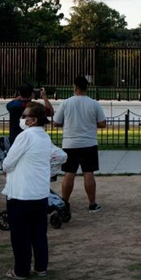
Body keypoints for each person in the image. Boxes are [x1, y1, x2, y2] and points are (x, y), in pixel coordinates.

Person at [2, 102, 53, 279]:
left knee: (20, 234)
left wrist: (6, 168)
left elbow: (8, 162)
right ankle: (41, 267)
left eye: (24, 116)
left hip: (21, 193)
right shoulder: (45, 137)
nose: (21, 119)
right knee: (39, 233)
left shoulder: (25, 136)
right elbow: (59, 155)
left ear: (32, 120)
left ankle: (21, 270)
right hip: (40, 193)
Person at [53, 76, 106, 212]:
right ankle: (92, 204)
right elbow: (102, 123)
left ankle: (64, 203)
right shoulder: (94, 104)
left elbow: (56, 122)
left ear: (74, 87)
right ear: (87, 88)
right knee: (89, 173)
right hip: (89, 142)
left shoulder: (66, 103)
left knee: (69, 173)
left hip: (70, 143)